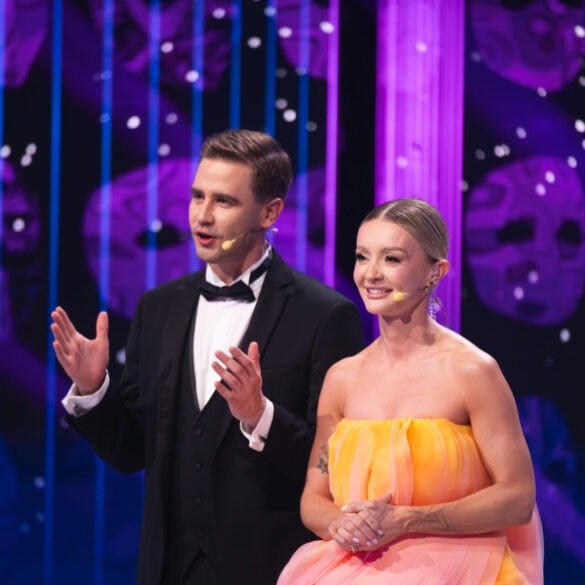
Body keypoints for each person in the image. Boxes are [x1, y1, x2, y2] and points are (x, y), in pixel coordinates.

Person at [50, 129, 364, 585]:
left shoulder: (324, 316)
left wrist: (260, 416)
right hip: (169, 570)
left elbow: (336, 465)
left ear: (270, 212)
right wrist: (93, 388)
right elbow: (131, 451)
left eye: (224, 201)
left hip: (270, 569)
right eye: (198, 196)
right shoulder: (157, 309)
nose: (203, 215)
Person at [278, 198, 544, 584]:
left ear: (436, 272)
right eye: (362, 257)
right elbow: (314, 498)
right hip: (356, 567)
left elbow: (518, 497)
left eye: (392, 259)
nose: (371, 274)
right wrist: (344, 524)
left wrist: (408, 520)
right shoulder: (342, 378)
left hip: (460, 570)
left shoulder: (472, 372)